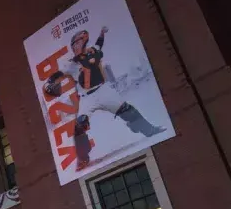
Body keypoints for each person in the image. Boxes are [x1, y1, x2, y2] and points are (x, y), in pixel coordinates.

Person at [42, 26, 166, 170]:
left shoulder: (92, 52)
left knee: (127, 110)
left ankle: (149, 130)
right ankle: (83, 159)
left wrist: (102, 33)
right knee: (79, 127)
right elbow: (58, 74)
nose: (78, 46)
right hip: (87, 97)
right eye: (76, 43)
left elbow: (99, 43)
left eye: (80, 42)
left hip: (103, 90)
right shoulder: (71, 63)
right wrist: (49, 82)